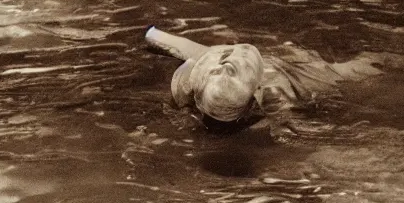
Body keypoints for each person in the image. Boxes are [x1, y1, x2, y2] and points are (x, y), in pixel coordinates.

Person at [144, 25, 386, 124]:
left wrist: (153, 35)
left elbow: (188, 49)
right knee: (365, 68)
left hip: (282, 72)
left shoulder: (203, 82)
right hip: (306, 73)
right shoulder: (277, 97)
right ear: (257, 91)